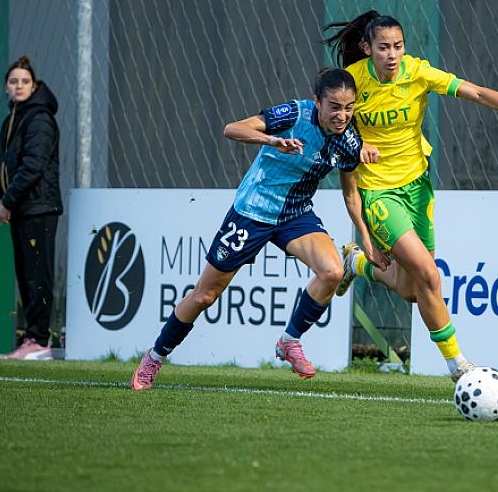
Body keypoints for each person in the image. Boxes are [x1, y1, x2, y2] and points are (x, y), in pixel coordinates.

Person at [323, 10, 498, 382]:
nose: (392, 54)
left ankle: (356, 265)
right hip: (379, 195)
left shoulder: (418, 73)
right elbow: (331, 125)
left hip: (418, 188)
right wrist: (357, 142)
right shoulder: (352, 84)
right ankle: (458, 365)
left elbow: (475, 91)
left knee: (412, 289)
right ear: (367, 48)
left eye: (398, 46)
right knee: (430, 276)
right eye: (383, 47)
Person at [130, 68, 368, 390]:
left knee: (332, 272)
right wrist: (272, 140)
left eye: (349, 107)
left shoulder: (349, 141)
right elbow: (232, 129)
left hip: (294, 214)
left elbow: (351, 195)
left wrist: (367, 242)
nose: (342, 115)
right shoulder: (293, 113)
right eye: (334, 107)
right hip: (252, 212)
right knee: (204, 295)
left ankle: (289, 340)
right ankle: (155, 357)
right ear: (317, 102)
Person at [0, 56, 62, 361]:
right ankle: (31, 337)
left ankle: (39, 339)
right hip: (21, 209)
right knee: (25, 274)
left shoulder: (40, 119)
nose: (18, 86)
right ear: (6, 86)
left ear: (34, 86)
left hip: (38, 208)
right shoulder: (12, 120)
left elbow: (32, 166)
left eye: (24, 81)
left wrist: (8, 201)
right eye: (13, 81)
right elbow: (1, 164)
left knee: (38, 274)